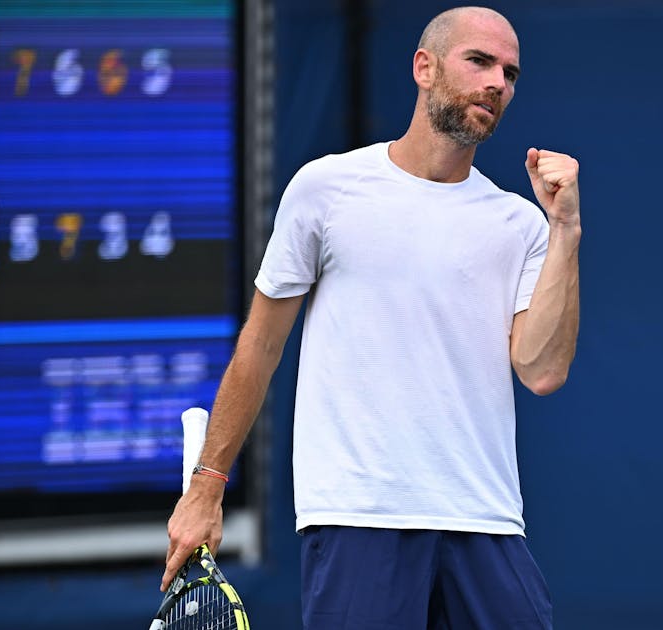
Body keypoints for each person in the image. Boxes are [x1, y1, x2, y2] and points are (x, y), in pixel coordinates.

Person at [162, 5, 580, 628]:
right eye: (481, 61)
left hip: (486, 521)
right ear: (424, 67)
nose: (498, 82)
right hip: (360, 518)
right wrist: (206, 487)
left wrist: (565, 228)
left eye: (511, 73)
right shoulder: (324, 189)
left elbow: (541, 370)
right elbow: (261, 345)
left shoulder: (523, 224)